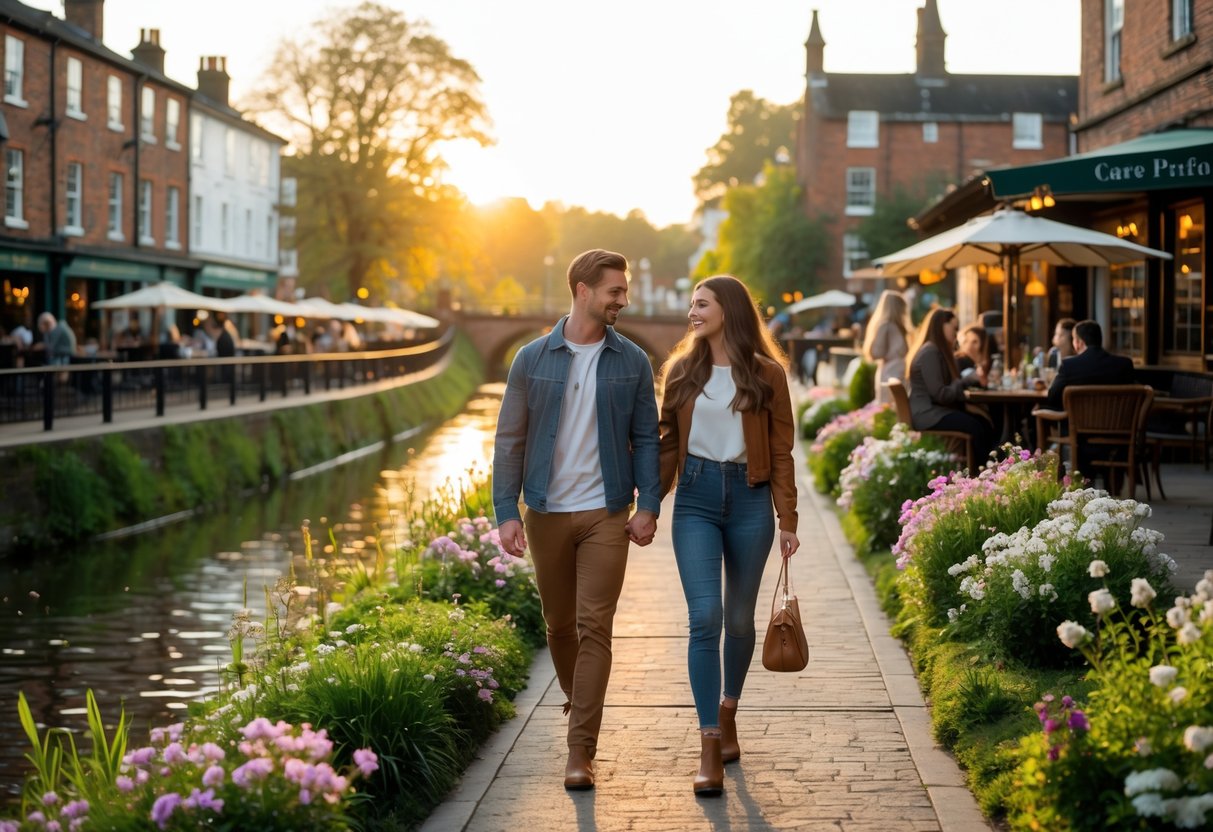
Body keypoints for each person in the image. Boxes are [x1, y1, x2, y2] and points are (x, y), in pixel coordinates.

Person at [492, 249, 660, 791]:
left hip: (606, 513)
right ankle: (578, 703)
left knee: (595, 627)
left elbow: (647, 441)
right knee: (560, 627)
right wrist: (506, 512)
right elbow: (509, 439)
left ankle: (580, 749)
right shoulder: (531, 359)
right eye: (615, 290)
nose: (624, 299)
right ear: (583, 290)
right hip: (544, 511)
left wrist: (649, 504)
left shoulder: (632, 360)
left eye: (625, 289)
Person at [658, 275, 799, 797]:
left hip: (749, 500)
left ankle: (729, 708)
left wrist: (788, 519)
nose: (692, 312)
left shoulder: (767, 375)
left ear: (729, 311)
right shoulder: (682, 370)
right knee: (705, 618)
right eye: (691, 304)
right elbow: (667, 440)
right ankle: (709, 743)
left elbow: (781, 450)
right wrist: (647, 504)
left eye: (701, 304)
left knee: (739, 619)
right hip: (694, 496)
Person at [906, 307, 994, 467]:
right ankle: (980, 475)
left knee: (983, 422)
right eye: (954, 327)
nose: (956, 332)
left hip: (933, 411)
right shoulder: (930, 352)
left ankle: (981, 471)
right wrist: (965, 380)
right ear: (941, 326)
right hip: (927, 415)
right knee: (976, 426)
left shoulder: (936, 350)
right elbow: (941, 394)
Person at [1044, 319, 1135, 411]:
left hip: (1078, 424)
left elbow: (1052, 397)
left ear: (1079, 343)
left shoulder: (1069, 365)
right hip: (1118, 424)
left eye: (1073, 339)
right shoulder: (1125, 364)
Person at [861, 289, 912, 404]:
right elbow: (875, 353)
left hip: (894, 374)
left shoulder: (893, 326)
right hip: (890, 374)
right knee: (890, 408)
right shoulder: (886, 326)